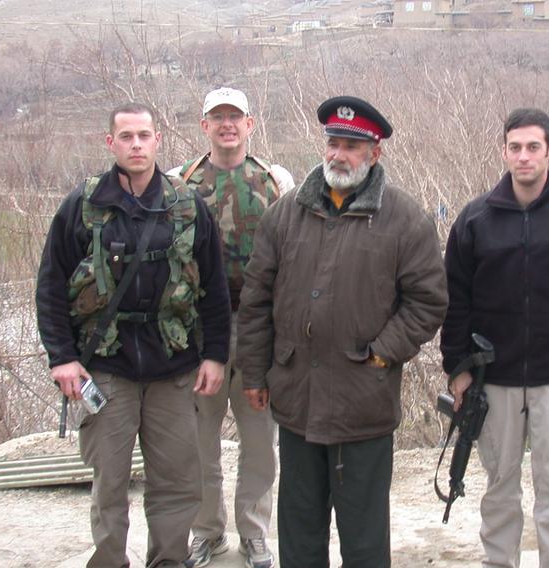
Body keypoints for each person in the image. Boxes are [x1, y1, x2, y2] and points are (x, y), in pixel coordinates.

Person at [237, 95, 448, 567]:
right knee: (299, 530)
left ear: (375, 152)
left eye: (352, 146)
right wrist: (254, 373)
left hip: (363, 403)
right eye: (333, 142)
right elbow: (256, 299)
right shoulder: (286, 212)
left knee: (364, 537)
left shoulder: (405, 218)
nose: (339, 154)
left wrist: (382, 352)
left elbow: (429, 301)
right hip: (297, 399)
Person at [36, 102, 231, 568]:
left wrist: (216, 355)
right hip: (106, 368)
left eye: (144, 135)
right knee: (110, 483)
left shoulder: (186, 206)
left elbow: (214, 289)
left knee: (177, 482)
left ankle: (168, 561)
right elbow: (51, 286)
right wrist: (62, 357)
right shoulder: (83, 207)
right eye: (126, 137)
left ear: (157, 140)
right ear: (111, 143)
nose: (136, 144)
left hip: (174, 365)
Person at [441, 108, 549, 568]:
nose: (524, 157)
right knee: (499, 488)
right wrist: (456, 368)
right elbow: (455, 301)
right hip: (492, 380)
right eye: (515, 147)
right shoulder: (475, 220)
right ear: (504, 151)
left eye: (533, 147)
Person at [170, 87, 287, 568]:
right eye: (217, 117)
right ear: (204, 126)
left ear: (250, 123)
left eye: (234, 116)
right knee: (200, 443)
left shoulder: (276, 183)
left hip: (261, 328)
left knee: (260, 443)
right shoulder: (180, 184)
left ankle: (255, 534)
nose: (227, 125)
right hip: (200, 333)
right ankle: (207, 532)